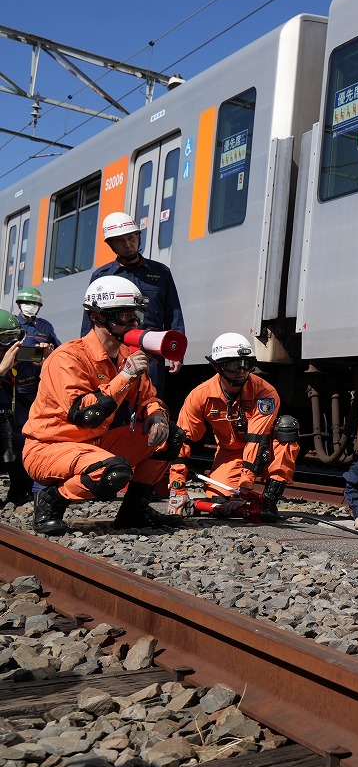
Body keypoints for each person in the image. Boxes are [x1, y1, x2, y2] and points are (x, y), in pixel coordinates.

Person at [26, 276, 178, 536]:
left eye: (136, 316)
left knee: (171, 438)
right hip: (50, 447)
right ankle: (52, 501)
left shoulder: (126, 357)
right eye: (124, 317)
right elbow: (86, 415)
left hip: (95, 443)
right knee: (111, 471)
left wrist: (156, 416)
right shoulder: (67, 357)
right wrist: (125, 376)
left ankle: (134, 511)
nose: (133, 324)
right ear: (97, 317)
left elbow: (149, 399)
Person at [168, 333, 298, 522]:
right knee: (217, 500)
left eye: (247, 364)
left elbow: (257, 440)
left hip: (265, 451)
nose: (241, 371)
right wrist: (177, 487)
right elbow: (182, 440)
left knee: (287, 428)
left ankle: (270, 500)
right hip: (231, 453)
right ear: (217, 366)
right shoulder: (200, 396)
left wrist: (244, 488)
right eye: (233, 365)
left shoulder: (264, 393)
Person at [81, 212, 184, 399]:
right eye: (120, 241)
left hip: (151, 354)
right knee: (115, 401)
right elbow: (90, 320)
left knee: (151, 400)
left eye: (131, 237)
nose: (128, 244)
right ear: (111, 245)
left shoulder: (161, 273)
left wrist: (176, 353)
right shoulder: (101, 276)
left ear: (138, 237)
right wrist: (86, 356)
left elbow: (173, 313)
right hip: (114, 353)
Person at [5, 288, 60, 506]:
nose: (31, 307)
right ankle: (21, 489)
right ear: (19, 304)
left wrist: (47, 351)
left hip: (34, 390)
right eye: (27, 303)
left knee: (31, 437)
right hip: (11, 389)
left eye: (35, 304)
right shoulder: (12, 325)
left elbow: (58, 349)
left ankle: (30, 489)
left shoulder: (44, 327)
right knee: (15, 439)